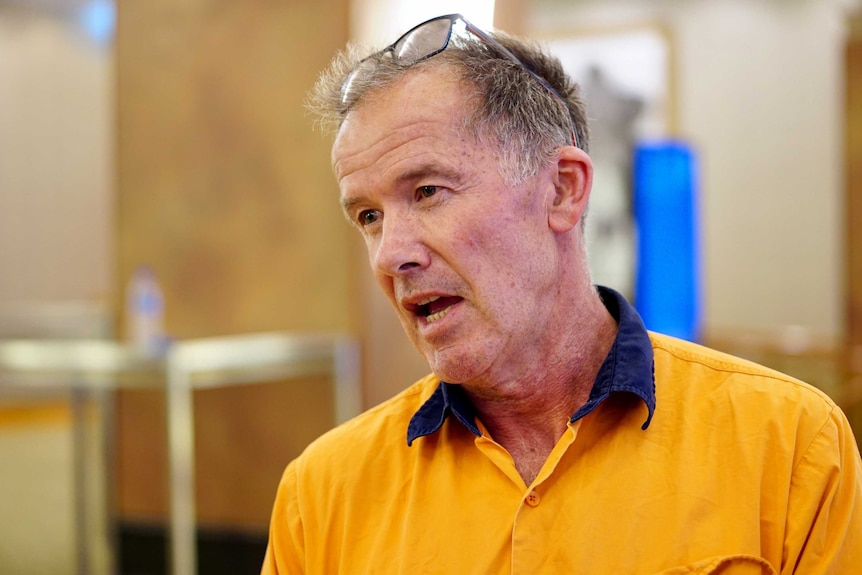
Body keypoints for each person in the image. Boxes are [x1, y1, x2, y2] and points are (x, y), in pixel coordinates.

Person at [262, 13, 862, 574]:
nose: (393, 253)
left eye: (428, 192)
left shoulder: (789, 449)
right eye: (368, 216)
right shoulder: (321, 498)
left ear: (562, 190)